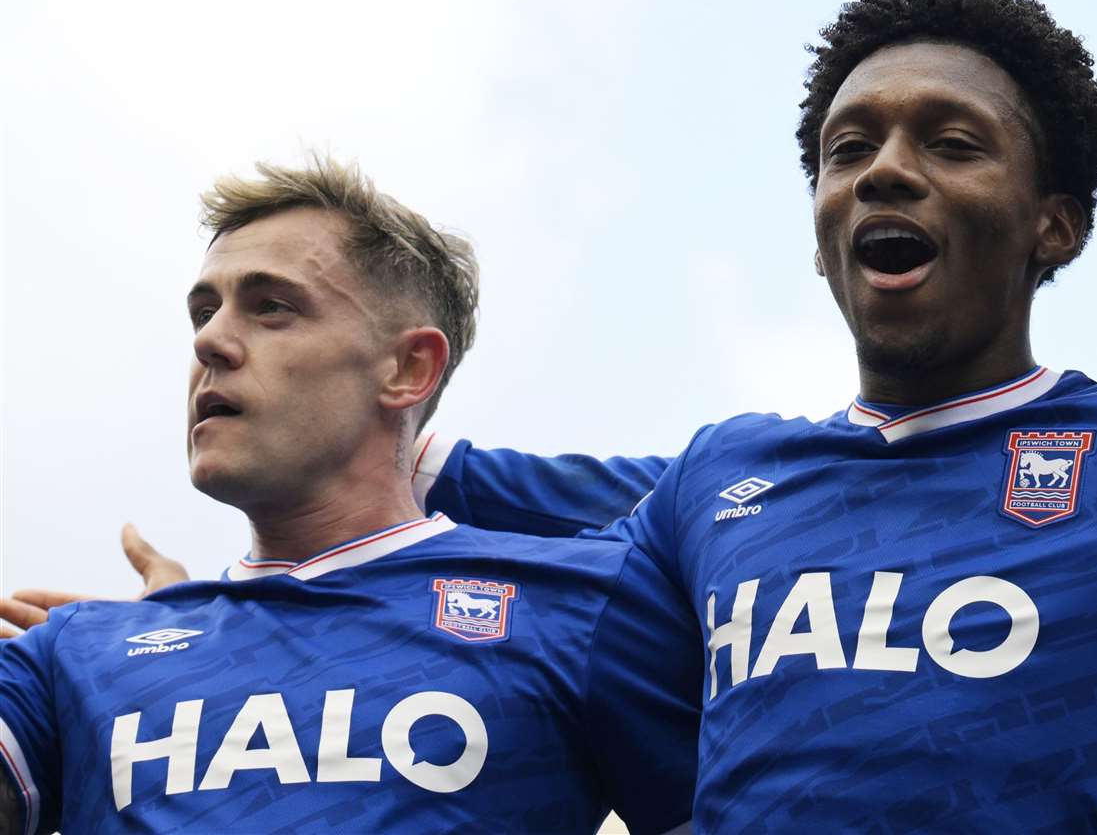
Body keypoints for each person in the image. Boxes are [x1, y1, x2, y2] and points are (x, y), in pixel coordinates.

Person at [14, 0, 1097, 831]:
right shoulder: (723, 491)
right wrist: (216, 643)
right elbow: (637, 734)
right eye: (850, 149)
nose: (886, 173)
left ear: (1056, 229)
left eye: (950, 142)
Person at [0, 159, 700, 834]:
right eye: (203, 312)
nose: (210, 341)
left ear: (406, 367)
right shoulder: (77, 654)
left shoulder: (578, 606)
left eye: (271, 307)